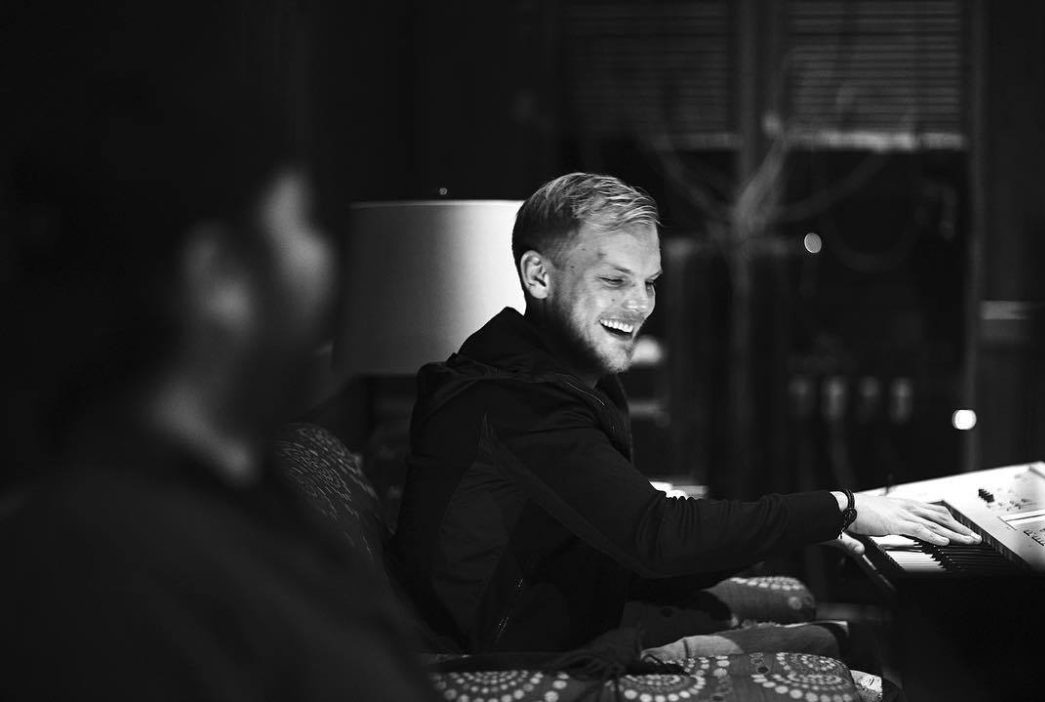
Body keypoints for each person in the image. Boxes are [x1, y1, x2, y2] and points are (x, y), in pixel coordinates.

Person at [0, 4, 438, 700]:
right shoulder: (97, 562)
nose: (322, 262)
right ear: (220, 276)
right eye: (299, 223)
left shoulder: (255, 504)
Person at [389, 171, 978, 657]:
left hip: (579, 609)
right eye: (614, 280)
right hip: (518, 654)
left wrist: (819, 525)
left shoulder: (564, 378)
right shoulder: (515, 401)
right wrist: (837, 511)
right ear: (538, 276)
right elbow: (654, 538)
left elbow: (630, 544)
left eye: (649, 282)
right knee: (866, 646)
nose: (639, 305)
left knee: (827, 617)